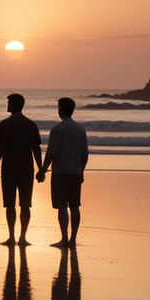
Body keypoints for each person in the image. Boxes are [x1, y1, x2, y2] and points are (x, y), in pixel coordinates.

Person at [0, 93, 43, 246]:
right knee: (25, 204)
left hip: (8, 169)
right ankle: (23, 237)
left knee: (10, 204)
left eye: (9, 103)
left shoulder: (3, 124)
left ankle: (12, 236)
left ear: (14, 105)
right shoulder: (31, 125)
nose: (7, 106)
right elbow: (36, 149)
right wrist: (40, 169)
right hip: (26, 169)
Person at [36, 97, 88, 248]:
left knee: (61, 207)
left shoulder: (57, 130)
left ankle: (64, 238)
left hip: (60, 173)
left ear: (62, 110)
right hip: (75, 172)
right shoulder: (80, 130)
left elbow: (51, 153)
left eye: (58, 107)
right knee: (74, 206)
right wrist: (82, 171)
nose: (58, 110)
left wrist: (42, 171)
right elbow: (84, 154)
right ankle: (73, 239)